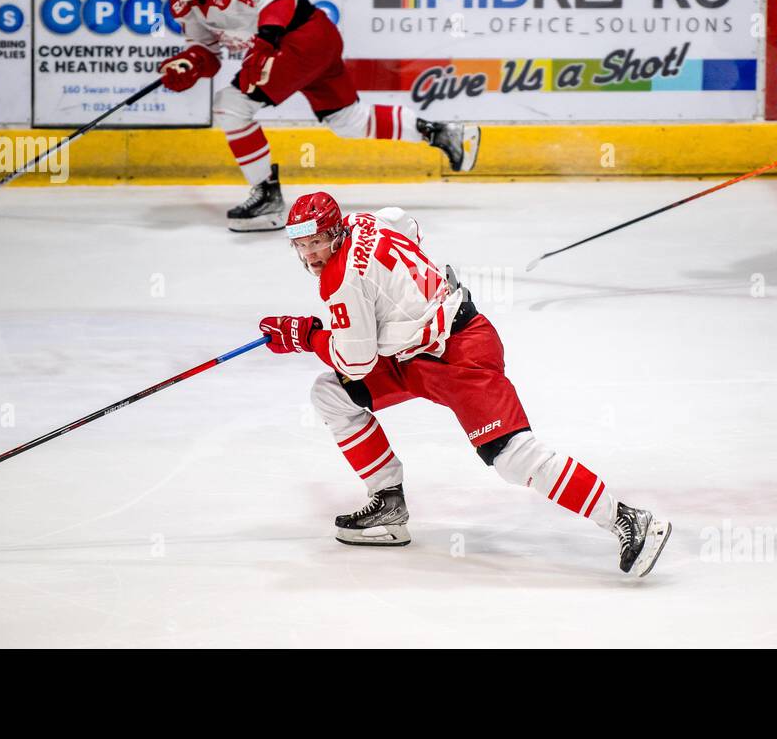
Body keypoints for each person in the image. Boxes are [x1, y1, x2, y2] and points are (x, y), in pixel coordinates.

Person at [258, 191, 671, 577]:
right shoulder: (367, 221)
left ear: (337, 232)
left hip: (460, 353)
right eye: (302, 245)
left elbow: (357, 359)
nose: (311, 253)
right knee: (332, 394)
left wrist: (305, 335)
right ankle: (388, 505)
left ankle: (628, 518)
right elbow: (407, 225)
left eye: (318, 242)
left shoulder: (338, 280)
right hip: (417, 354)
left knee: (512, 457)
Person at [156, 0, 480, 232]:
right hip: (314, 39)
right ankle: (443, 133)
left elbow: (280, 1)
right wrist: (188, 65)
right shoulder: (184, 6)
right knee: (346, 120)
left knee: (230, 107)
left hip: (299, 41)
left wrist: (266, 42)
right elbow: (206, 53)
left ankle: (268, 199)